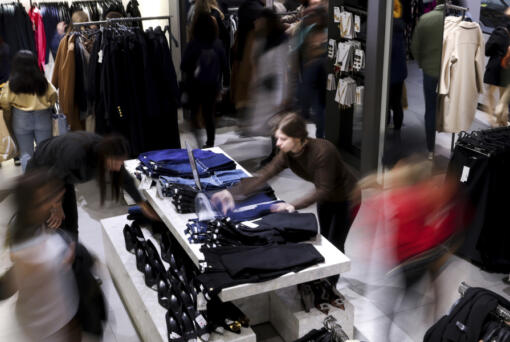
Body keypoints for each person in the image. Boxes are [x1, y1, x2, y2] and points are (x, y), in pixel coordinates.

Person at [212, 113, 360, 254]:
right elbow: (265, 174)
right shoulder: (287, 154)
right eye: (277, 138)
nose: (278, 143)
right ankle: (325, 278)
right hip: (326, 197)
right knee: (326, 239)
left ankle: (331, 280)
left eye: (283, 139)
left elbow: (323, 190)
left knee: (336, 244)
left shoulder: (323, 151)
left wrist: (293, 205)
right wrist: (232, 192)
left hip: (348, 197)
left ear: (297, 138)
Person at [26, 131, 159, 240]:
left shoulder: (106, 150)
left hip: (63, 178)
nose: (119, 167)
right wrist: (56, 206)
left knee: (71, 225)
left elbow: (124, 178)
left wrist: (142, 204)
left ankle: (74, 260)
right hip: (41, 178)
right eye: (117, 162)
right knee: (52, 224)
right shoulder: (76, 154)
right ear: (106, 157)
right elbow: (53, 178)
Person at [1, 169, 81, 342]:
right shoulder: (29, 252)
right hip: (48, 326)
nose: (52, 202)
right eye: (47, 199)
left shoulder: (32, 226)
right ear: (31, 204)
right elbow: (7, 287)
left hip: (54, 315)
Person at [0, 50, 57, 171]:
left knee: (26, 154)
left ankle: (30, 184)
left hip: (20, 120)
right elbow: (53, 96)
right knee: (45, 152)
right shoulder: (43, 82)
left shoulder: (11, 85)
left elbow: (4, 102)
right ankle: (47, 181)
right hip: (43, 118)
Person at [181, 12, 228, 148]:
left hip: (194, 86)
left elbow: (183, 65)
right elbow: (225, 66)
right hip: (213, 86)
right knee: (209, 116)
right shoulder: (218, 44)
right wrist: (225, 85)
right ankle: (210, 142)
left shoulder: (193, 44)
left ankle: (198, 141)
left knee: (194, 115)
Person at [411, 0, 445, 159]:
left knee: (430, 110)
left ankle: (430, 148)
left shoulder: (425, 19)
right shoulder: (456, 22)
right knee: (447, 107)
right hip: (448, 73)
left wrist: (421, 63)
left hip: (430, 72)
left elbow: (415, 46)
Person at [484, 19, 510, 127]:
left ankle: (492, 118)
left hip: (495, 66)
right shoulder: (504, 34)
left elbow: (487, 50)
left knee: (490, 93)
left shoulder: (499, 33)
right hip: (506, 67)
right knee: (503, 94)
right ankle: (502, 120)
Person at [388, 0, 407, 132]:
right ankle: (398, 125)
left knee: (386, 101)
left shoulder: (389, 29)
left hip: (388, 72)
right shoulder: (401, 28)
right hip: (400, 72)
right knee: (397, 101)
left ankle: (385, 123)